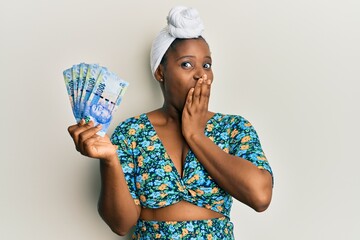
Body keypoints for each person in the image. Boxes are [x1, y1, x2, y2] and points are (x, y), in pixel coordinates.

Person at [68, 6, 273, 239]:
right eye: (187, 64)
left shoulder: (234, 128)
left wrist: (195, 135)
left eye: (206, 65)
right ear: (160, 72)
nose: (200, 74)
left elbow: (260, 197)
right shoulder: (132, 132)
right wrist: (110, 161)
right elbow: (121, 224)